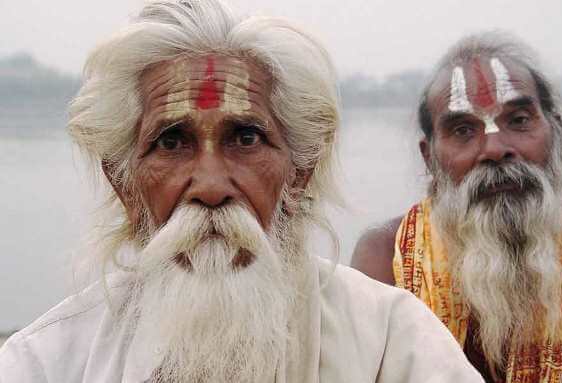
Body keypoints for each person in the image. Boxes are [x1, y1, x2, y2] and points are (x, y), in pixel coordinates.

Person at [0, 1, 482, 382]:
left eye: (246, 138)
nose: (210, 187)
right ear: (124, 184)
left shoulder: (391, 343)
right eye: (171, 141)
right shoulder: (46, 363)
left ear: (299, 173)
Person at [352, 32, 562, 382]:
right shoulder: (386, 259)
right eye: (464, 129)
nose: (496, 148)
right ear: (430, 158)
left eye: (518, 120)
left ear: (555, 131)